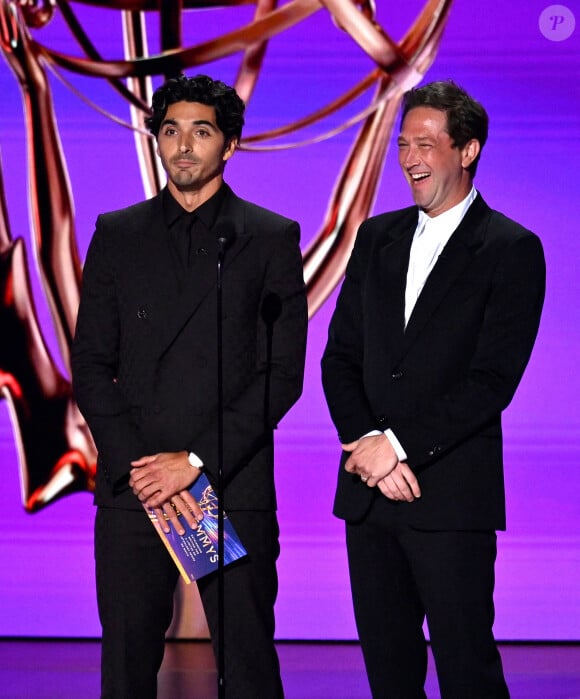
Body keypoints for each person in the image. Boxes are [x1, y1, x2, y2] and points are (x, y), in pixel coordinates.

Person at [71, 74, 307, 699]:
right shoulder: (117, 234)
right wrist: (147, 470)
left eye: (200, 132)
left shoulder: (268, 237)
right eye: (170, 130)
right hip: (138, 488)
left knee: (247, 662)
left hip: (223, 484)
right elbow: (91, 364)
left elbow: (281, 376)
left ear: (229, 145)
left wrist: (195, 462)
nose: (183, 146)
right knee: (126, 665)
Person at [321, 80, 545, 698]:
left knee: (467, 669)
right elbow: (339, 358)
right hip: (369, 496)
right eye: (402, 145)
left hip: (449, 500)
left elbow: (491, 382)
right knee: (389, 675)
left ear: (467, 150)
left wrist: (397, 445)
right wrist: (368, 441)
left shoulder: (511, 249)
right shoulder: (376, 237)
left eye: (425, 144)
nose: (410, 159)